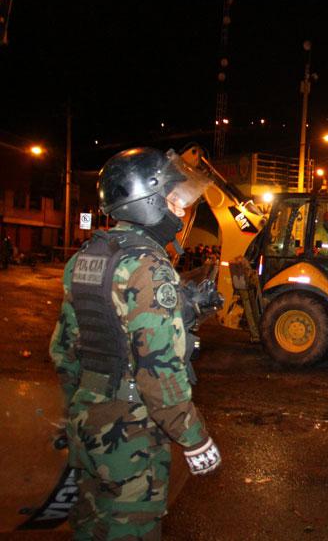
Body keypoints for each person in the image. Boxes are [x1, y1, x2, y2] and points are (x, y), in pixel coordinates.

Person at [49, 148, 221, 540]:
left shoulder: (86, 257)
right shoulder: (150, 266)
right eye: (174, 202)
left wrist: (73, 406)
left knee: (91, 523)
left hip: (87, 421)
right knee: (131, 529)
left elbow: (65, 348)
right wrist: (194, 439)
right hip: (130, 432)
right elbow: (159, 372)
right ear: (148, 202)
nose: (179, 214)